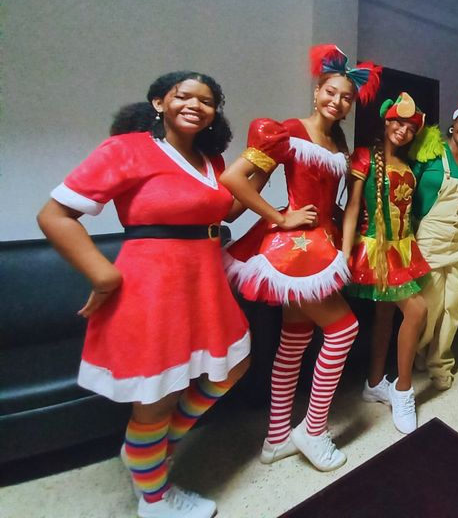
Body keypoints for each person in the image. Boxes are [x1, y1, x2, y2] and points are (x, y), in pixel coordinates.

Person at [37, 72, 250, 518]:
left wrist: (262, 167)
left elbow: (222, 210)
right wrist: (103, 276)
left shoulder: (212, 159)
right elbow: (55, 215)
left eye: (207, 100)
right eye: (183, 95)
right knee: (156, 397)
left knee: (233, 363)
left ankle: (147, 451)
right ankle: (154, 499)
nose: (195, 105)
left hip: (205, 281)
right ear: (159, 102)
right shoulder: (127, 148)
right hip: (152, 287)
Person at [220, 45, 380, 471]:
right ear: (316, 91)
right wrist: (280, 217)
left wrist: (344, 247)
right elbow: (234, 178)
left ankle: (276, 439)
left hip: (322, 243)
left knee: (294, 339)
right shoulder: (288, 130)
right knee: (344, 329)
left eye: (346, 97)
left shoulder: (338, 140)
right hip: (296, 248)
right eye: (331, 92)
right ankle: (313, 430)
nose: (337, 102)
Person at [342, 91, 431, 434]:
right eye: (398, 122)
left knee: (385, 315)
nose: (403, 131)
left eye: (410, 128)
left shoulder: (409, 168)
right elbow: (352, 207)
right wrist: (343, 254)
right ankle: (403, 389)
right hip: (375, 250)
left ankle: (374, 382)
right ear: (386, 120)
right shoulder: (364, 157)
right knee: (417, 310)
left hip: (404, 249)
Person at [410, 102, 458, 390]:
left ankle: (440, 363)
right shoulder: (431, 154)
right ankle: (418, 351)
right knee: (431, 304)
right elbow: (407, 189)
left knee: (454, 306)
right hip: (431, 237)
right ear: (453, 125)